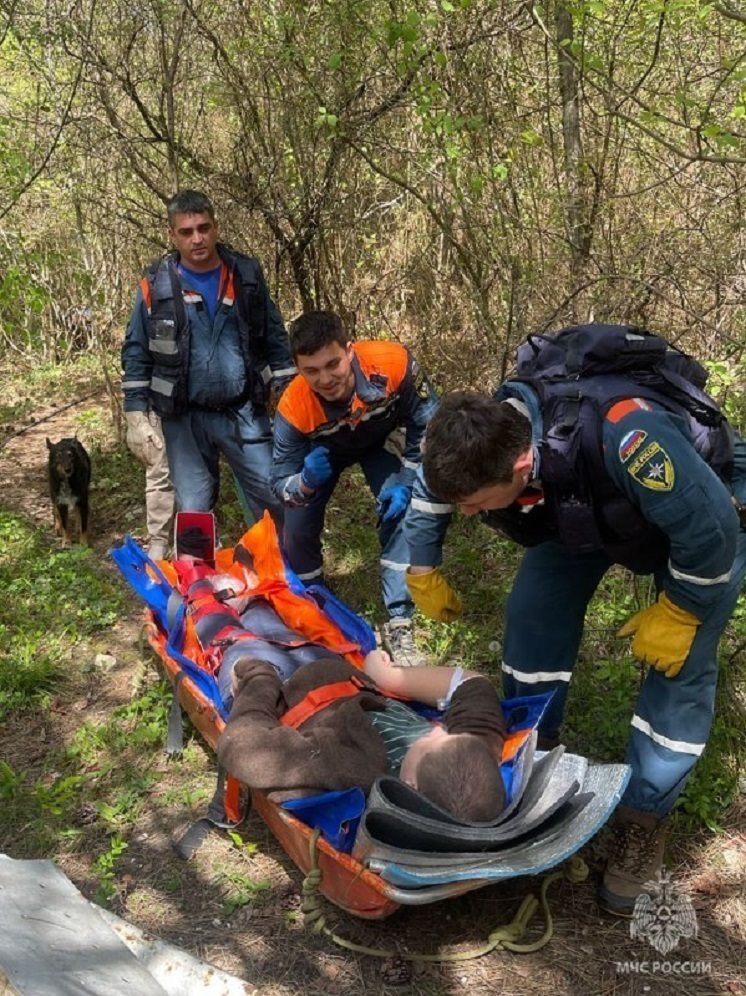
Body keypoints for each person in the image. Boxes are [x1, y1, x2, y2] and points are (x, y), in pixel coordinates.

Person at [404, 375, 746, 914]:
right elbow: (437, 488)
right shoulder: (479, 434)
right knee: (531, 619)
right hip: (578, 509)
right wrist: (420, 563)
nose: (467, 514)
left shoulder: (632, 440)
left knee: (681, 665)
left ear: (518, 468)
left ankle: (643, 820)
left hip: (692, 521)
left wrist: (683, 609)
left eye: (474, 505)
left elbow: (714, 531)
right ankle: (530, 754)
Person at [174, 556, 507, 821]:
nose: (436, 730)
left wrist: (258, 680)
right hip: (327, 669)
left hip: (274, 691)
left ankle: (197, 583)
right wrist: (389, 679)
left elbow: (243, 749)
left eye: (433, 742)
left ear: (411, 784)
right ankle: (245, 596)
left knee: (226, 632)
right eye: (448, 734)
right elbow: (475, 686)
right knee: (264, 615)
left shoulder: (352, 770)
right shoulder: (470, 760)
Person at [270, 310, 439, 666]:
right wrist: (302, 482)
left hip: (380, 438)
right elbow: (279, 483)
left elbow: (427, 424)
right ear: (298, 368)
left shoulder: (392, 362)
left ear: (349, 350)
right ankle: (315, 603)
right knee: (296, 529)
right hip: (323, 453)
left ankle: (399, 621)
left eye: (333, 364)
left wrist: (407, 479)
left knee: (404, 512)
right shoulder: (293, 406)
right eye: (311, 371)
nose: (325, 379)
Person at [121, 189, 296, 527]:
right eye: (186, 232)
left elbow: (275, 337)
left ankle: (283, 575)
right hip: (184, 417)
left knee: (275, 497)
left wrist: (290, 389)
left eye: (204, 228)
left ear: (216, 227)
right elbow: (137, 352)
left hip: (244, 410)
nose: (197, 239)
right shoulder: (156, 284)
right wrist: (135, 417)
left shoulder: (245, 275)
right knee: (194, 512)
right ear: (172, 235)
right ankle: (198, 579)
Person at [124, 410, 174, 560]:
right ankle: (159, 542)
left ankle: (193, 540)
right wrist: (135, 417)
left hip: (200, 405)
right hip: (157, 409)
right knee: (159, 474)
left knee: (196, 473)